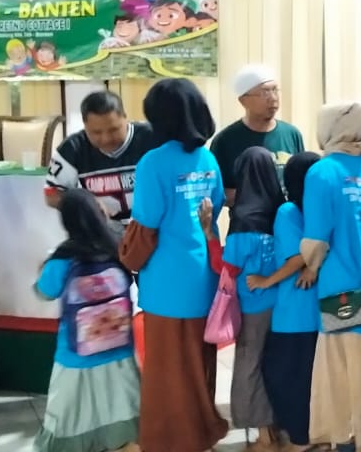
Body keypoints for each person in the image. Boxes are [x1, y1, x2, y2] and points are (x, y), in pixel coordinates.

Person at [119, 78, 229, 451]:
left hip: (167, 284)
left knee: (168, 371)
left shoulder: (152, 163)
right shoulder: (207, 159)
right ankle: (203, 432)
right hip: (204, 276)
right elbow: (215, 208)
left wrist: (125, 256)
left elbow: (145, 227)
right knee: (200, 364)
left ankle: (171, 440)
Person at [300, 102, 361, 452]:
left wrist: (310, 265)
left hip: (340, 287)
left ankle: (346, 441)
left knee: (340, 370)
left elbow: (315, 241)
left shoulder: (322, 172)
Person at [33, 188, 140, 452]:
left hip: (75, 358)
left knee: (68, 420)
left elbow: (44, 291)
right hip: (120, 352)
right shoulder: (118, 247)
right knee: (125, 422)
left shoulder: (63, 258)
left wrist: (41, 269)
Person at [256, 151, 322, 452]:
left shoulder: (288, 212)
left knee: (284, 376)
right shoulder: (323, 211)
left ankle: (300, 439)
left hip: (294, 310)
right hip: (319, 310)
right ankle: (315, 434)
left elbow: (296, 258)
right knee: (309, 375)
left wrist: (266, 281)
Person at [224, 146, 286, 451]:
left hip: (252, 306)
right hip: (285, 303)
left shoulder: (242, 218)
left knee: (250, 364)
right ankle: (280, 425)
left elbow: (227, 266)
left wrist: (208, 234)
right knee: (276, 364)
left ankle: (264, 434)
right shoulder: (283, 212)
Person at [45, 90, 160, 228]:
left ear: (125, 118)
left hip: (152, 229)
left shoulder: (154, 138)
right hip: (102, 231)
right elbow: (51, 194)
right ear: (85, 125)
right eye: (96, 132)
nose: (106, 139)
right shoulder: (72, 148)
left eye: (113, 130)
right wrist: (85, 204)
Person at [210, 65, 306, 205]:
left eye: (275, 90)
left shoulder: (292, 134)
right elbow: (218, 192)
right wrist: (255, 195)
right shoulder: (225, 140)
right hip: (250, 218)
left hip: (289, 216)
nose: (273, 98)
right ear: (243, 100)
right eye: (264, 93)